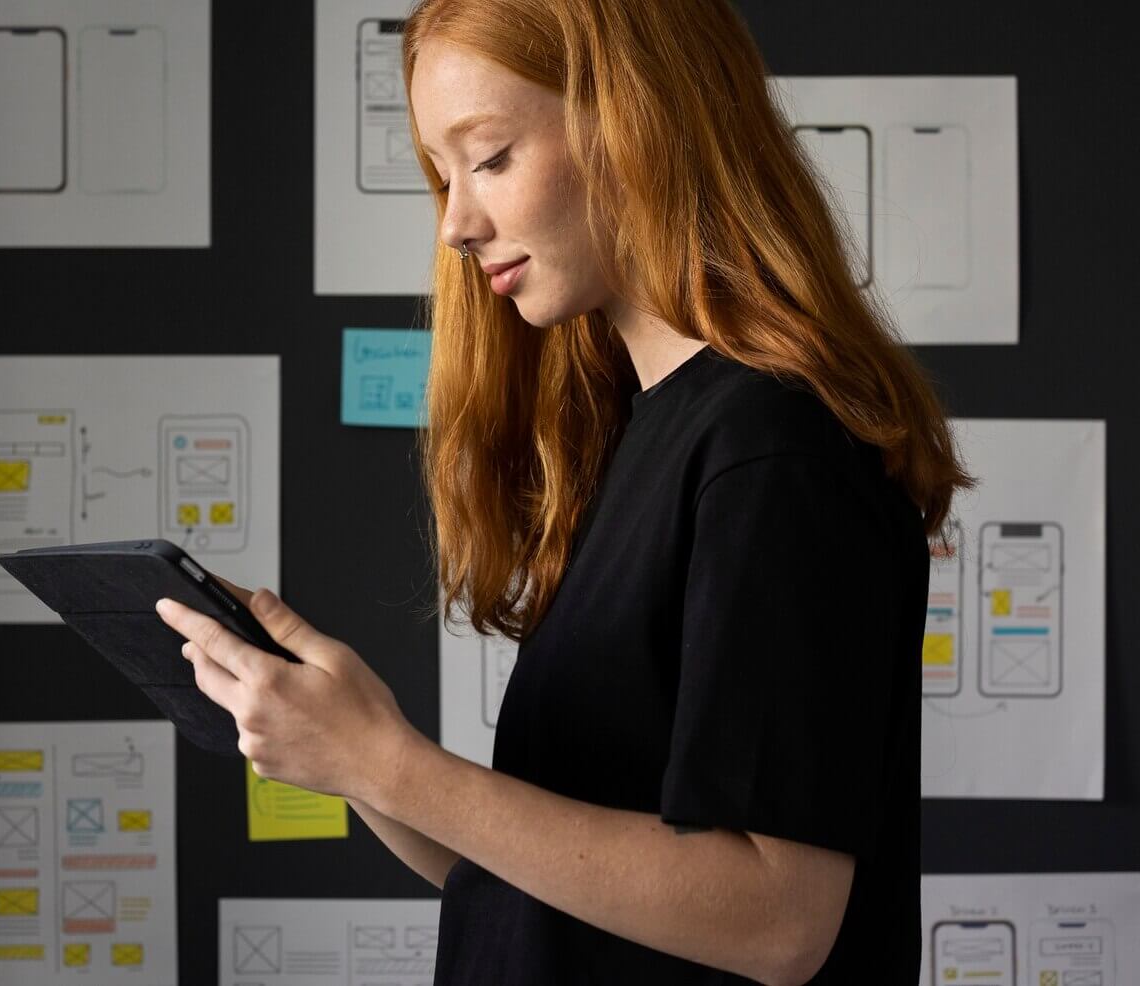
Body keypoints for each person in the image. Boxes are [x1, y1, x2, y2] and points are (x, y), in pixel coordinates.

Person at [154, 0, 975, 981]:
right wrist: (349, 750)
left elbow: (776, 917)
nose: (456, 222)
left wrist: (387, 762)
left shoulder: (770, 447)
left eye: (490, 156)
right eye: (440, 174)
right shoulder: (634, 435)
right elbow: (525, 881)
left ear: (641, 118)